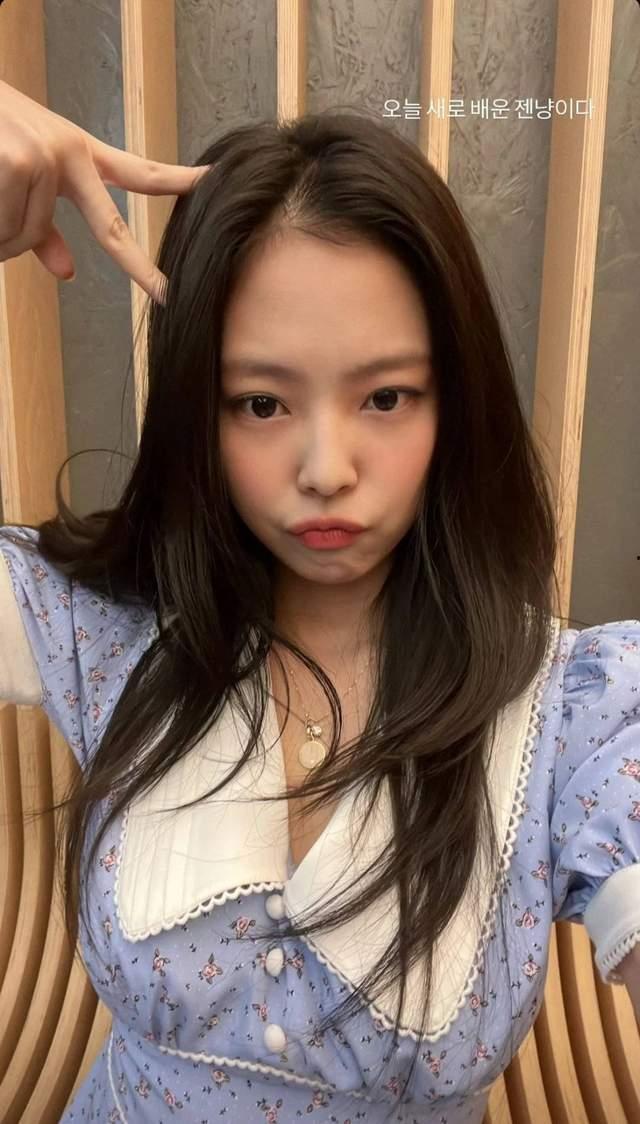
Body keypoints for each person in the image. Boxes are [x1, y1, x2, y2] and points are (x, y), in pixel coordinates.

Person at [0, 78, 639, 1124]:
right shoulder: (100, 628)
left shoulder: (573, 710)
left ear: (456, 403)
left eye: (386, 396)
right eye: (261, 402)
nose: (326, 469)